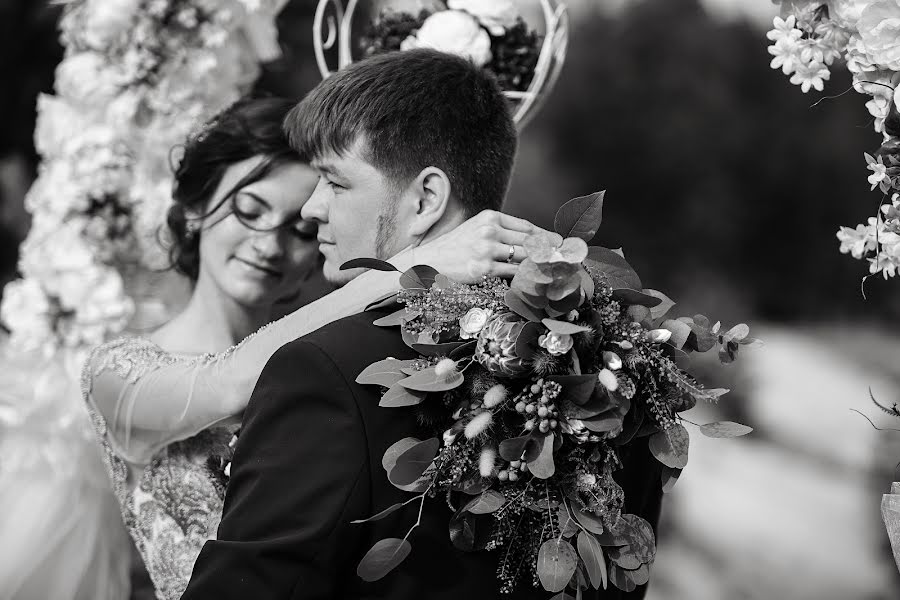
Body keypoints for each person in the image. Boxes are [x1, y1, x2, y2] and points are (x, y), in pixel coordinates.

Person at [182, 49, 663, 600]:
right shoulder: (621, 371)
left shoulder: (328, 370)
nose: (311, 209)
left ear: (426, 199)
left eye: (335, 184)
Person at [81, 96, 539, 600]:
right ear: (193, 213)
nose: (269, 244)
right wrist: (414, 265)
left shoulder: (341, 359)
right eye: (249, 211)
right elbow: (228, 383)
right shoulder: (117, 372)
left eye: (299, 229)